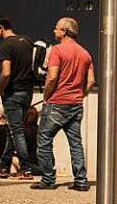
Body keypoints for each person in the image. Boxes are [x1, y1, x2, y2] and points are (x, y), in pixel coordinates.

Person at [32, 17, 94, 191]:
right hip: (76, 104)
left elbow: (52, 77)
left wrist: (46, 96)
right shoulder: (85, 54)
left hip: (56, 103)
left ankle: (48, 179)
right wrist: (80, 95)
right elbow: (90, 82)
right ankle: (81, 181)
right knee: (75, 142)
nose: (54, 31)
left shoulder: (57, 51)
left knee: (44, 140)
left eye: (56, 28)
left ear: (64, 31)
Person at [0, 14, 35, 179]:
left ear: (0, 27)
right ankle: (4, 167)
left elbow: (6, 73)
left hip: (13, 92)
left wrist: (1, 89)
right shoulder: (27, 41)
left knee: (17, 131)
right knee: (12, 129)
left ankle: (26, 168)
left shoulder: (6, 46)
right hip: (27, 92)